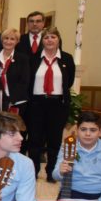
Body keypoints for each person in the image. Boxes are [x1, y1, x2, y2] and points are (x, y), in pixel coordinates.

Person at [27, 26, 75, 182]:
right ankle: (33, 172)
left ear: (58, 40)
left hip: (57, 104)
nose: (49, 40)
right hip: (36, 104)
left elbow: (69, 81)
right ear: (42, 40)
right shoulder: (33, 59)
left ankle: (51, 172)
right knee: (35, 140)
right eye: (46, 37)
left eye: (53, 37)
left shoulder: (67, 58)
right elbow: (29, 81)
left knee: (54, 141)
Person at [0, 28, 30, 115]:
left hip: (16, 102)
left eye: (12, 39)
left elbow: (24, 81)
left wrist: (11, 100)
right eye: (6, 38)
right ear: (2, 40)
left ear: (17, 41)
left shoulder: (23, 59)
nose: (8, 41)